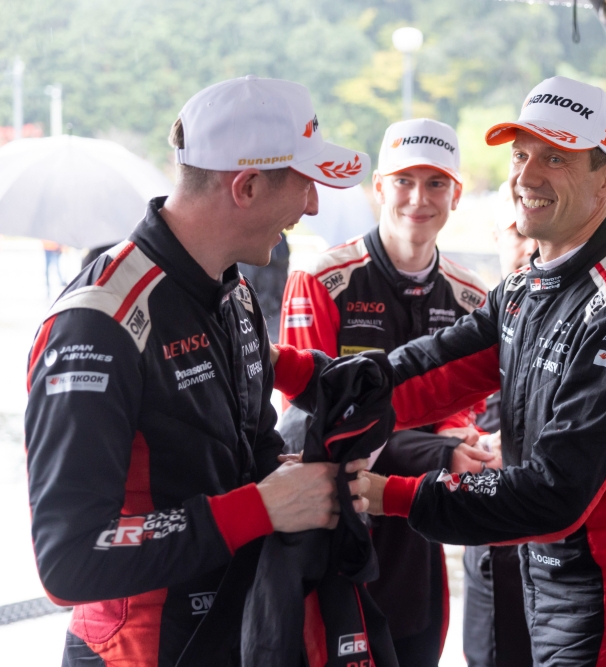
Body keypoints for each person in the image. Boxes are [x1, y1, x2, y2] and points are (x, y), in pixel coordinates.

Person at [338, 75, 606, 666]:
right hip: (550, 582)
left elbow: (556, 492)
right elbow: (428, 370)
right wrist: (299, 377)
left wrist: (392, 495)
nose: (526, 177)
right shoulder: (528, 286)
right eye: (520, 155)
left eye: (555, 159)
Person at [23, 75, 372, 666]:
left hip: (235, 629)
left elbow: (250, 449)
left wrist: (305, 481)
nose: (312, 204)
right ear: (248, 187)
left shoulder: (232, 292)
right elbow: (69, 561)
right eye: (305, 182)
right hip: (135, 651)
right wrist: (262, 507)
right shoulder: (98, 323)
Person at [275, 117, 495, 666]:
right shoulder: (322, 279)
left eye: (436, 183)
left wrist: (458, 438)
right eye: (403, 181)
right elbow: (313, 423)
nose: (419, 199)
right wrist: (438, 450)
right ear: (378, 187)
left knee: (417, 647)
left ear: (456, 194)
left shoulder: (473, 297)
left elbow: (466, 413)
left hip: (417, 523)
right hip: (332, 520)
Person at [462, 182, 536, 667]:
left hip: (553, 529)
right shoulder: (477, 313)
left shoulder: (589, 313)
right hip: (487, 525)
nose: (529, 246)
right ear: (495, 236)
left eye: (536, 233)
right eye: (517, 232)